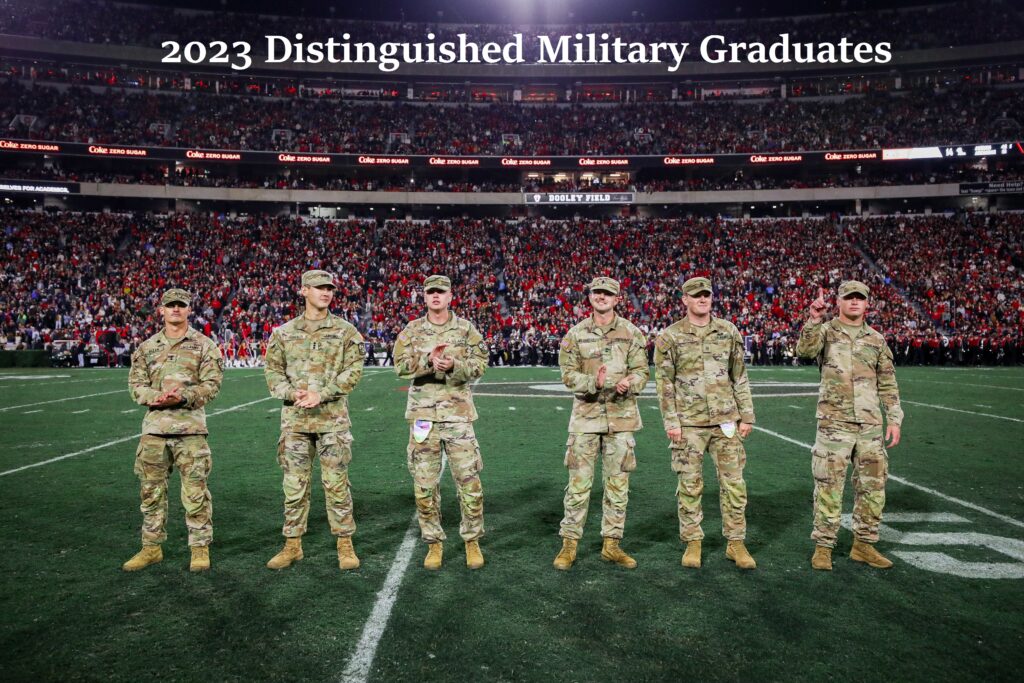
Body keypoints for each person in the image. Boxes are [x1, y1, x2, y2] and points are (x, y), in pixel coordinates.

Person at [796, 281, 903, 571]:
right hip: (834, 423)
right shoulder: (826, 331)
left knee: (873, 487)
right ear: (839, 301)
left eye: (860, 298)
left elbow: (888, 382)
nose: (855, 302)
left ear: (867, 303)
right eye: (849, 298)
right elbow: (804, 352)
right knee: (828, 486)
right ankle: (823, 547)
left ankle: (863, 545)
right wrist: (814, 319)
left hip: (870, 426)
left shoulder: (876, 339)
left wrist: (894, 417)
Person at [654, 276, 757, 570]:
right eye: (695, 295)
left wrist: (747, 415)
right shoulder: (669, 337)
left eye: (706, 295)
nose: (702, 299)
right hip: (688, 424)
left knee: (734, 485)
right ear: (684, 299)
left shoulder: (728, 331)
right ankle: (693, 542)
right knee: (689, 485)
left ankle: (735, 543)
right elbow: (665, 384)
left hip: (726, 421)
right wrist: (671, 422)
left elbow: (739, 375)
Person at [264, 270, 365, 571]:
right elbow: (272, 372)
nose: (326, 292)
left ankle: (344, 543)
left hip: (332, 421)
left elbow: (353, 372)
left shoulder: (346, 331)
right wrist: (292, 392)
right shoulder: (283, 333)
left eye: (330, 288)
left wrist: (322, 394)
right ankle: (292, 545)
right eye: (319, 287)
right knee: (294, 486)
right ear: (304, 290)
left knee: (337, 485)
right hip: (295, 421)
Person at [123, 288, 223, 572]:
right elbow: (136, 384)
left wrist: (183, 397)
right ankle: (151, 548)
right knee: (150, 492)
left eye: (181, 305)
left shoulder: (204, 345)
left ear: (189, 310)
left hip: (190, 431)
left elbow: (212, 384)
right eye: (170, 306)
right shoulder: (147, 347)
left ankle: (199, 548)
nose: (175, 310)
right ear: (161, 311)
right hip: (154, 431)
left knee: (195, 493)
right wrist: (151, 397)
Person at [553, 277, 649, 571]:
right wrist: (592, 381)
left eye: (608, 293)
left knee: (618, 485)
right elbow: (567, 375)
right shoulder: (575, 334)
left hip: (621, 419)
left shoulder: (632, 333)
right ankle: (569, 544)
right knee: (578, 486)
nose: (602, 297)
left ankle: (612, 544)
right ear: (590, 297)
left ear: (617, 298)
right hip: (586, 418)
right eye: (597, 292)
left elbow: (642, 371)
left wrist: (629, 383)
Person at [393, 275, 488, 570]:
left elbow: (481, 363)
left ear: (450, 296)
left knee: (469, 482)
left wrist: (454, 366)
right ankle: (433, 543)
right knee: (424, 485)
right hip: (424, 419)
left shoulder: (466, 329)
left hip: (458, 417)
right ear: (424, 297)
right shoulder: (411, 331)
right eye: (430, 292)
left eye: (441, 292)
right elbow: (399, 365)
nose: (435, 296)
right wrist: (428, 363)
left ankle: (472, 541)